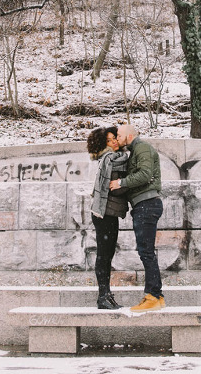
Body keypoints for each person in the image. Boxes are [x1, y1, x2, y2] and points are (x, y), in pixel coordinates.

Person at [109, 124, 165, 312]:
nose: (117, 138)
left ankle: (153, 296)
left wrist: (120, 182)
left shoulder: (142, 148)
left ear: (130, 135)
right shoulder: (134, 151)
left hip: (147, 205)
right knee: (146, 251)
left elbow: (144, 174)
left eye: (119, 135)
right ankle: (156, 296)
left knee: (146, 252)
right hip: (143, 205)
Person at [87, 126, 130, 310]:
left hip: (108, 212)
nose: (114, 142)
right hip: (104, 213)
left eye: (115, 138)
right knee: (104, 255)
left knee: (107, 254)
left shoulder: (113, 160)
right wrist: (131, 183)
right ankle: (103, 296)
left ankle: (106, 295)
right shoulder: (109, 160)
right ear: (103, 145)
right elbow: (115, 188)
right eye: (110, 140)